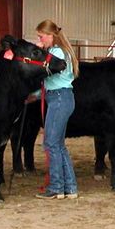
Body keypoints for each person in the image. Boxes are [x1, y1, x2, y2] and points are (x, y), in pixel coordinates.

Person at [27, 20, 79, 199]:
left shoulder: (55, 53)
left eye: (41, 36)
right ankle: (69, 187)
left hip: (58, 98)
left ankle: (56, 187)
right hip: (62, 97)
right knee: (58, 145)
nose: (39, 40)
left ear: (50, 35)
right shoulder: (61, 51)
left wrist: (37, 50)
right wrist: (34, 95)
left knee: (50, 143)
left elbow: (44, 69)